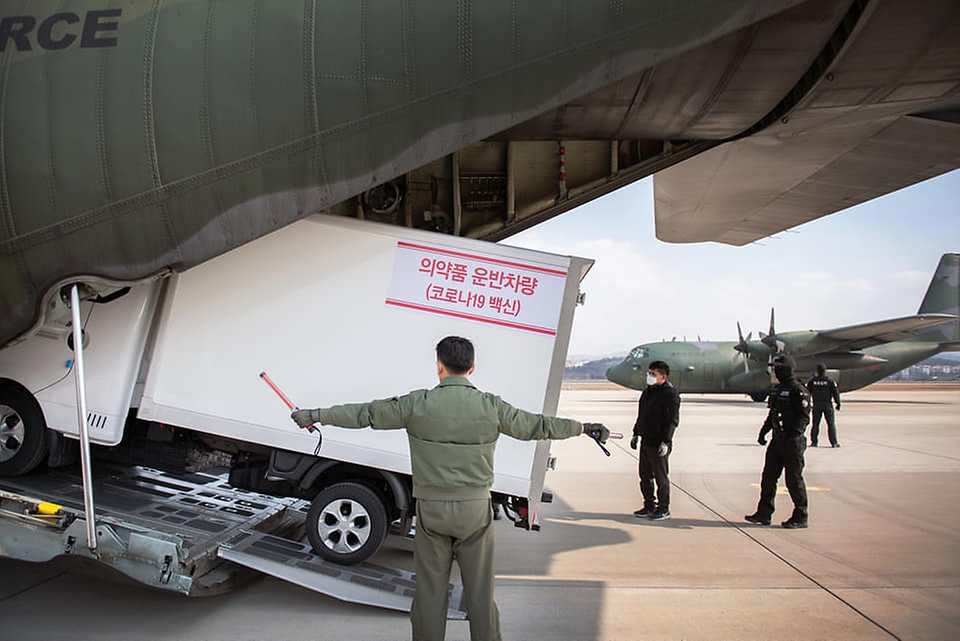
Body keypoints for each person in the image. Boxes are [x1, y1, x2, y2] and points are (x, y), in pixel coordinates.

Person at [291, 336, 609, 641]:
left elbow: (366, 414)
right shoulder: (491, 406)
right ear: (472, 368)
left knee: (430, 593)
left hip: (431, 510)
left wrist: (315, 415)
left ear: (439, 366)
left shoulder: (417, 404)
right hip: (474, 511)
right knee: (480, 594)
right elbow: (538, 425)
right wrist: (582, 428)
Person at [745, 354, 812, 529]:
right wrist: (764, 432)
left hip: (793, 443)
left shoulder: (798, 390)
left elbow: (804, 418)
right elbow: (772, 414)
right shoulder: (776, 390)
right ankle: (764, 513)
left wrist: (794, 437)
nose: (776, 371)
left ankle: (800, 515)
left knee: (793, 479)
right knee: (768, 478)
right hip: (777, 441)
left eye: (779, 368)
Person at [629, 360, 680, 521]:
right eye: (649, 373)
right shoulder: (647, 392)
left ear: (663, 376)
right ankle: (649, 504)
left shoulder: (670, 394)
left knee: (661, 477)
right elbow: (641, 414)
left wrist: (666, 441)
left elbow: (672, 420)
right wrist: (636, 433)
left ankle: (663, 508)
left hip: (659, 442)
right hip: (646, 439)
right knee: (645, 476)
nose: (649, 376)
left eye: (653, 374)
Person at [806, 362, 841, 447]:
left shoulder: (812, 382)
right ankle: (834, 443)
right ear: (825, 371)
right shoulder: (830, 381)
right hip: (827, 405)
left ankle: (814, 442)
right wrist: (838, 403)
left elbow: (807, 393)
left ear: (817, 371)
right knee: (831, 424)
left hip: (817, 405)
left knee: (815, 424)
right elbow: (835, 393)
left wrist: (808, 403)